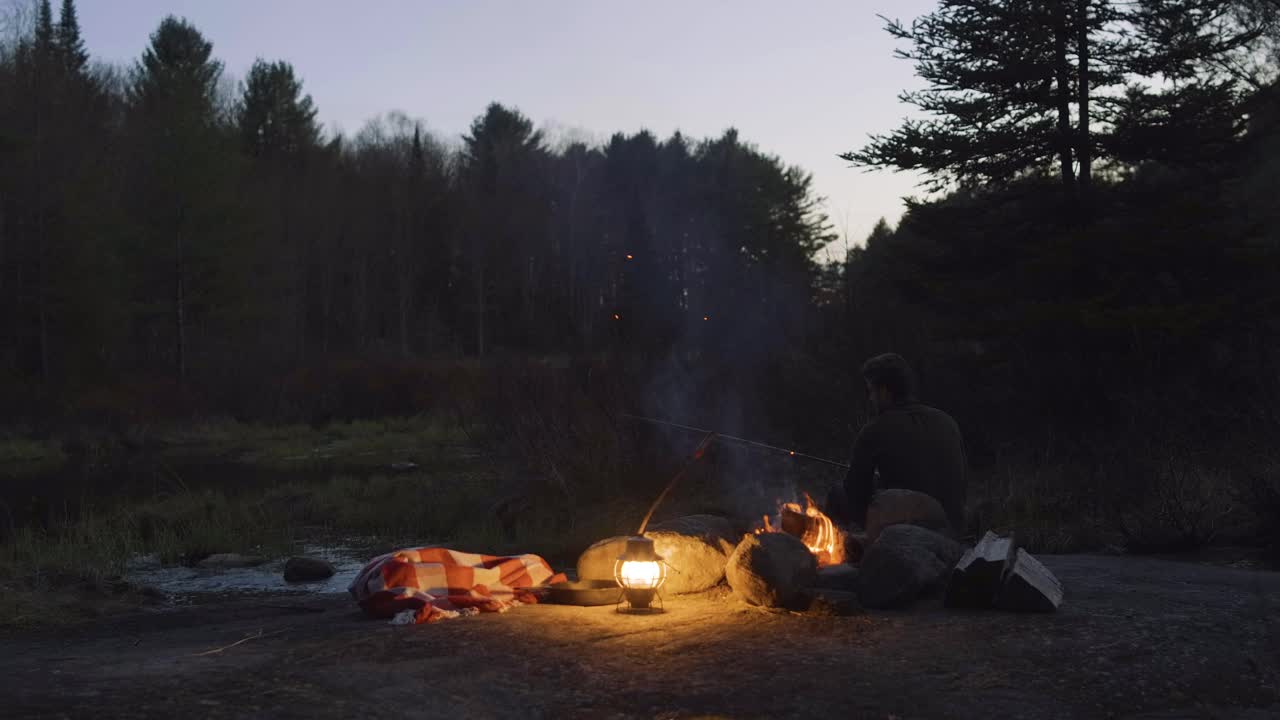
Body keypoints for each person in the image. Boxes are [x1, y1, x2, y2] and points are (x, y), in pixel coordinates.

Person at [841, 353, 967, 534]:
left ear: (884, 391)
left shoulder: (875, 429)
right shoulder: (947, 421)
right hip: (955, 530)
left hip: (909, 536)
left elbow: (854, 490)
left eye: (871, 391)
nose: (870, 398)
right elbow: (962, 482)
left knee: (837, 495)